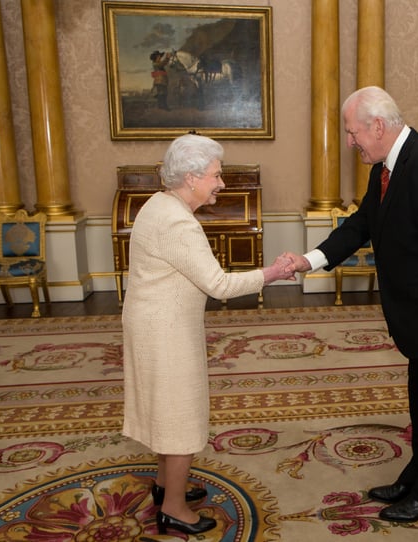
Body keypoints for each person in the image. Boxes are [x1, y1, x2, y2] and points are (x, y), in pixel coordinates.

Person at [285, 86, 418, 523]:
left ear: (377, 126)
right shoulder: (386, 166)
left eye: (351, 132)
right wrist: (311, 260)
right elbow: (362, 223)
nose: (349, 142)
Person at [121, 133, 295, 536]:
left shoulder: (159, 204)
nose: (221, 183)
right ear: (192, 177)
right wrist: (272, 273)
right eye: (216, 176)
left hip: (155, 323)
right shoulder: (178, 222)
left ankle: (166, 488)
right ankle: (175, 510)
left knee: (167, 412)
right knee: (180, 418)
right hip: (164, 332)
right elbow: (219, 285)